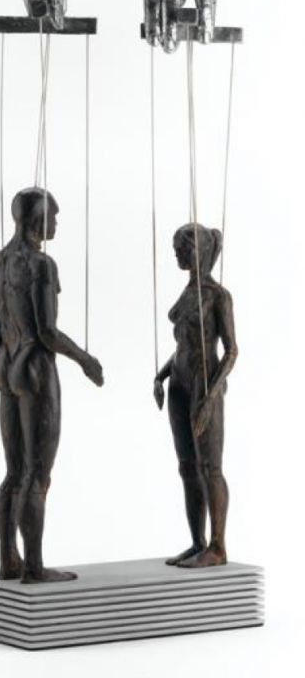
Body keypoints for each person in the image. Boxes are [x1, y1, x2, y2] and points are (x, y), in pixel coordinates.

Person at [0, 186, 103, 583]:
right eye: (53, 217)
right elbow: (47, 331)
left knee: (13, 473)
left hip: (7, 367)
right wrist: (85, 360)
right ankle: (33, 566)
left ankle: (8, 560)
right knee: (37, 475)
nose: (56, 224)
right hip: (35, 368)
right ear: (37, 219)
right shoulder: (40, 265)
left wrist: (7, 354)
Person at [154, 224, 238, 567]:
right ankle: (197, 542)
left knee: (209, 467)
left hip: (204, 381)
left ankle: (217, 546)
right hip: (179, 381)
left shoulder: (218, 296)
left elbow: (231, 351)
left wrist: (210, 398)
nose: (177, 253)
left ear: (200, 250)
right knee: (187, 467)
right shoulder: (189, 291)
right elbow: (183, 346)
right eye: (175, 248)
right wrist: (161, 375)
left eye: (183, 248)